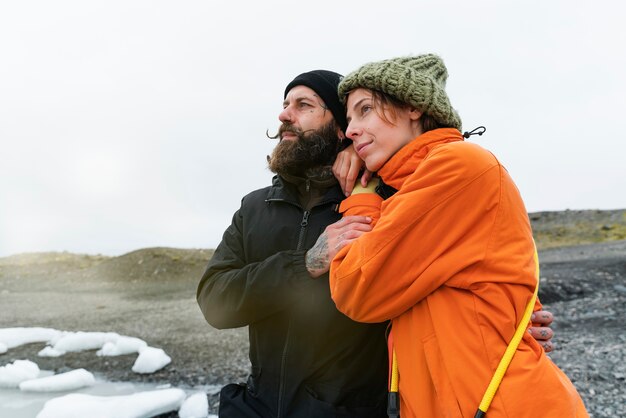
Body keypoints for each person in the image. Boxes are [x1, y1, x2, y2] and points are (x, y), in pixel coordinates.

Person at [197, 68, 556, 417]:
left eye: (303, 105)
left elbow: (458, 264)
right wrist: (305, 263)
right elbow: (215, 302)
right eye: (286, 104)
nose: (284, 115)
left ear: (340, 130)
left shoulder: (388, 195)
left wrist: (507, 318)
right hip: (254, 407)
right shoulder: (257, 206)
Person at [310, 55, 588, 417]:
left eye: (365, 110)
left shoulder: (457, 166)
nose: (351, 130)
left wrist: (362, 197)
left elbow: (356, 286)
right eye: (349, 120)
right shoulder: (413, 186)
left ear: (413, 106)